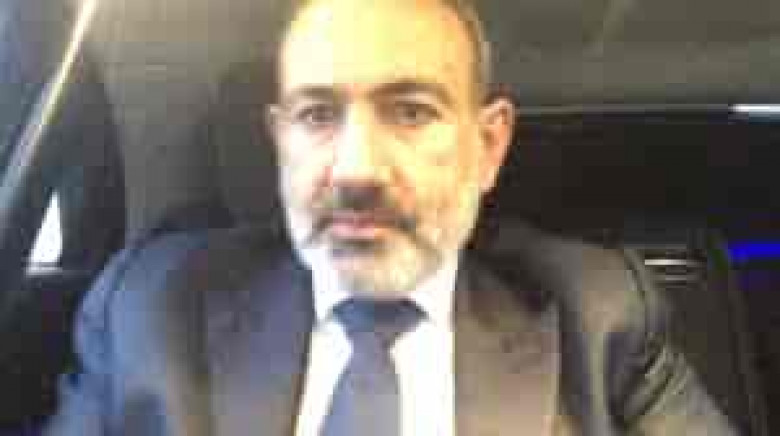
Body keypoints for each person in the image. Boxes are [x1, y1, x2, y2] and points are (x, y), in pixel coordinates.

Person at [45, 0, 737, 434]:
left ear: (488, 146)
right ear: (279, 139)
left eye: (410, 112)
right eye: (317, 115)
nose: (356, 170)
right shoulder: (149, 310)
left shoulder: (597, 316)